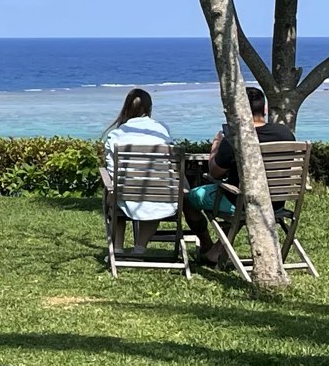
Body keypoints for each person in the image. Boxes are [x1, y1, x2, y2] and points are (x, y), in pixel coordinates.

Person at [187, 86, 296, 256]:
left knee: (191, 198)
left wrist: (215, 147)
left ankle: (207, 246)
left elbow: (216, 173)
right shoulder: (286, 134)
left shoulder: (235, 138)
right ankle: (216, 253)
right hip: (276, 203)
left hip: (241, 203)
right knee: (236, 197)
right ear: (265, 109)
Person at [100, 86, 177, 256]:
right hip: (161, 196)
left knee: (113, 196)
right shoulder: (162, 130)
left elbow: (111, 170)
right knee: (156, 199)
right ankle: (140, 248)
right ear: (149, 109)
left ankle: (118, 248)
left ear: (126, 108)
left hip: (126, 195)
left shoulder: (117, 134)